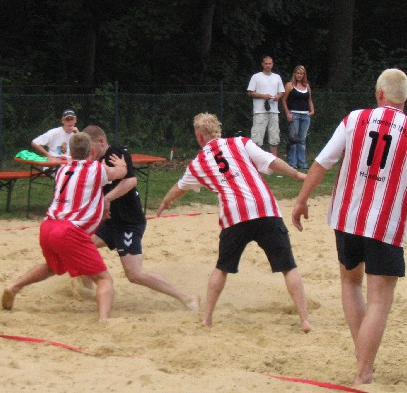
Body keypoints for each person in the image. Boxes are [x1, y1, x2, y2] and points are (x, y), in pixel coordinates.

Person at [292, 68, 407, 386]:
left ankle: (363, 359)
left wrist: (301, 200)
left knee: (351, 283)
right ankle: (364, 370)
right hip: (385, 223)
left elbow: (322, 162)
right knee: (380, 300)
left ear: (379, 93)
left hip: (347, 218)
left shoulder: (355, 119)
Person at [157, 112, 312, 332]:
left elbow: (179, 187)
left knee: (222, 268)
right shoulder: (240, 143)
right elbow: (271, 161)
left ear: (199, 137)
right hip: (264, 208)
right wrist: (296, 175)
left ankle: (207, 318)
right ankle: (304, 320)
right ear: (218, 130)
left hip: (234, 215)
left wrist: (165, 201)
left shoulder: (198, 163)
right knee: (288, 267)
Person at [0, 132, 127, 320]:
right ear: (92, 150)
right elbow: (119, 173)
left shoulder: (62, 169)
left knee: (52, 268)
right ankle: (104, 320)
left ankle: (14, 287)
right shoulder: (96, 169)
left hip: (48, 226)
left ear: (70, 151)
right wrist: (122, 165)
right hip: (70, 231)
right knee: (104, 279)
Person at [82, 125, 200, 311]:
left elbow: (131, 181)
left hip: (128, 222)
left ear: (101, 142)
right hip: (110, 222)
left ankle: (187, 298)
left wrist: (107, 198)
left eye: (91, 147)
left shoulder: (117, 154)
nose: (89, 152)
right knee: (82, 247)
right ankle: (87, 291)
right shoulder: (94, 161)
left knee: (134, 274)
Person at [247, 55, 285, 156]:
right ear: (263, 64)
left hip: (274, 111)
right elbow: (250, 92)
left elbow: (282, 92)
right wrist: (263, 96)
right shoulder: (256, 77)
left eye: (270, 63)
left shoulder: (277, 77)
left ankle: (274, 160)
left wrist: (278, 96)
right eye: (266, 63)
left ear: (272, 64)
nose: (268, 65)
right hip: (260, 111)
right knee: (257, 139)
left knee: (274, 138)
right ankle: (255, 159)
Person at [281, 65, 315, 169]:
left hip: (305, 115)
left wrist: (312, 110)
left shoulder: (307, 86)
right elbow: (284, 100)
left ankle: (302, 163)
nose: (299, 75)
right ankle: (292, 163)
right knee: (293, 139)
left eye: (301, 74)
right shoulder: (290, 85)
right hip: (294, 114)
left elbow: (309, 100)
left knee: (302, 139)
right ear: (295, 74)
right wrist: (288, 113)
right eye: (298, 73)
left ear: (304, 75)